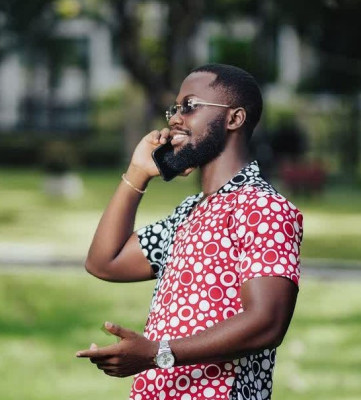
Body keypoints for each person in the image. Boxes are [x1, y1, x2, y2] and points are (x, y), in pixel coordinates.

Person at [76, 63, 303, 400]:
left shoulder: (263, 208)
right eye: (175, 108)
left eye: (190, 106)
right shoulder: (190, 212)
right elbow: (104, 261)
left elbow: (267, 323)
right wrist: (137, 173)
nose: (175, 119)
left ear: (234, 119)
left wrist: (157, 353)